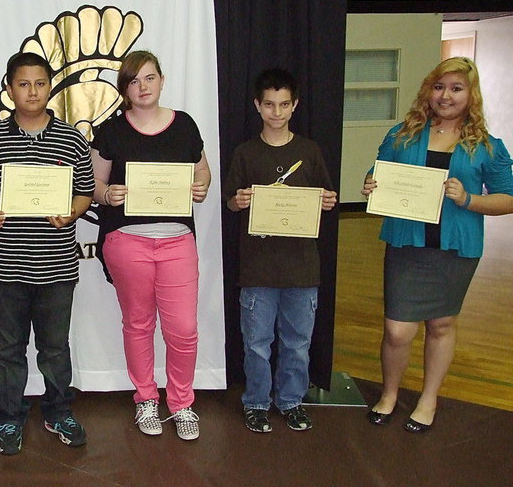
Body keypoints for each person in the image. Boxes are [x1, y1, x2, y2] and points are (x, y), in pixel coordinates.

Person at [362, 57, 513, 433]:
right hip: (406, 242)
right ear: (429, 90)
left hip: (455, 249)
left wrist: (468, 199)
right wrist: (371, 183)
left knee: (442, 324)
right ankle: (390, 394)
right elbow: (379, 170)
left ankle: (429, 399)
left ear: (471, 96)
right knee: (398, 330)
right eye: (440, 87)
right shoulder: (402, 135)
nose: (446, 96)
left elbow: (507, 198)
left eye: (456, 89)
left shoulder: (488, 147)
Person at [0, 52, 94, 455]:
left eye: (40, 83)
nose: (32, 91)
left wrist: (72, 213)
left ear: (50, 87)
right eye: (23, 84)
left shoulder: (73, 138)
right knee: (8, 349)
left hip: (57, 266)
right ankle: (10, 416)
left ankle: (58, 411)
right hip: (5, 266)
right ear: (9, 88)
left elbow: (85, 191)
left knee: (55, 347)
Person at [90, 50, 211, 441]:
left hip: (177, 241)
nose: (142, 87)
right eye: (134, 80)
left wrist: (202, 185)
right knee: (138, 324)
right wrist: (108, 196)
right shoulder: (110, 130)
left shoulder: (185, 125)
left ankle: (181, 403)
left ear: (162, 80)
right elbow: (93, 185)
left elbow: (203, 170)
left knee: (184, 329)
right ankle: (145, 398)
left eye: (149, 78)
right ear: (124, 88)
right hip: (128, 242)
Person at [222, 68, 337, 434]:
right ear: (257, 106)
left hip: (302, 267)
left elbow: (325, 196)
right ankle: (256, 402)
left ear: (295, 105)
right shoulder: (245, 152)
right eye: (269, 104)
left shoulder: (309, 150)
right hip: (258, 268)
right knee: (256, 343)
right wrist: (238, 201)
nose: (276, 112)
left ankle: (290, 401)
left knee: (298, 343)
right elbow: (230, 201)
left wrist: (328, 201)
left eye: (284, 104)